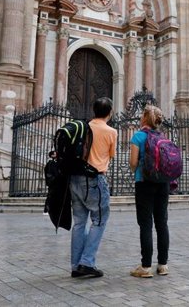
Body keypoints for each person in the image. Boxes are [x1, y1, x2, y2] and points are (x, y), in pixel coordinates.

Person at [70, 97, 117, 278]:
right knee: (99, 220)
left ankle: (75, 265)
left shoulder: (84, 127)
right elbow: (111, 154)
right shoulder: (111, 131)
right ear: (110, 112)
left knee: (79, 222)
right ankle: (87, 262)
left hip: (75, 178)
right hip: (94, 179)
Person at [129, 105, 170, 278]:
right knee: (162, 223)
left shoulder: (138, 136)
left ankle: (145, 266)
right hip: (163, 183)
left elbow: (132, 163)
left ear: (144, 118)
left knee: (145, 224)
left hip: (144, 182)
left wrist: (139, 166)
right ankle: (163, 265)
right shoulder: (163, 137)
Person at [44, 150, 59, 215]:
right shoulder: (50, 163)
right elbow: (50, 173)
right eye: (55, 154)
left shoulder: (55, 162)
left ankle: (53, 210)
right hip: (53, 183)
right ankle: (46, 210)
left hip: (55, 183)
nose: (56, 155)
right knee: (50, 196)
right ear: (52, 156)